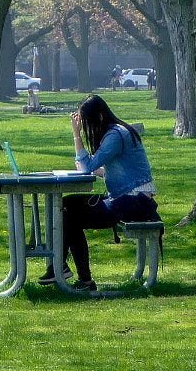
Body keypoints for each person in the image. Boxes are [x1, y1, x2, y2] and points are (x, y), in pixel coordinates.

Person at [43, 95, 157, 289]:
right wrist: (96, 169)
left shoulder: (115, 135)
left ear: (97, 118)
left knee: (71, 215)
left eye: (86, 123)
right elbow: (117, 171)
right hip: (127, 196)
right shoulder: (116, 132)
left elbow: (86, 167)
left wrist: (76, 134)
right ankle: (69, 272)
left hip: (136, 201)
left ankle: (69, 272)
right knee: (67, 205)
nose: (85, 128)